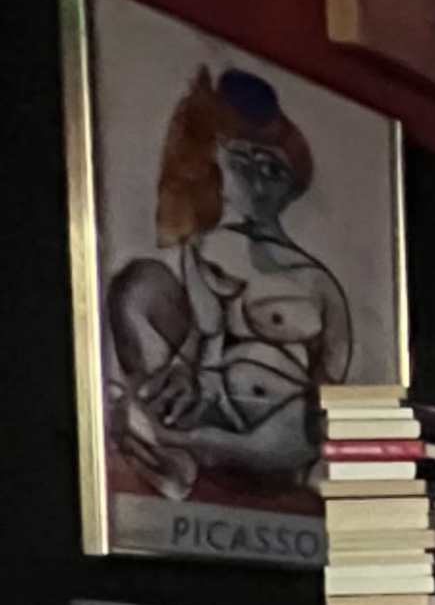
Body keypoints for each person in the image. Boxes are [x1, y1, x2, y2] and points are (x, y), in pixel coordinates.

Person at [103, 68, 355, 501]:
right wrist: (180, 370)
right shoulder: (196, 251)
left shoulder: (315, 281)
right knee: (139, 283)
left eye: (272, 169)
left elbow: (332, 385)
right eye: (243, 161)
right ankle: (170, 439)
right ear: (220, 162)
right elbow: (195, 339)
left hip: (278, 429)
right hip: (205, 404)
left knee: (305, 420)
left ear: (292, 184)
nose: (256, 178)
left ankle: (182, 450)